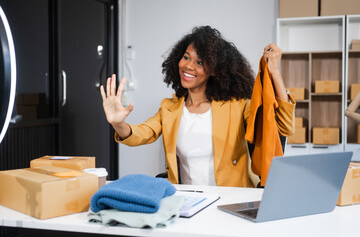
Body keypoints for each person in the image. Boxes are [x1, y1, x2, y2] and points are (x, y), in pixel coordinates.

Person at [100, 26, 295, 187]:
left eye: (200, 62)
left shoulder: (236, 105)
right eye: (186, 57)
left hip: (233, 199)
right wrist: (118, 123)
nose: (189, 66)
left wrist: (275, 74)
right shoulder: (170, 108)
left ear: (214, 70)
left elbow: (282, 127)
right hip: (187, 202)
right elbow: (142, 133)